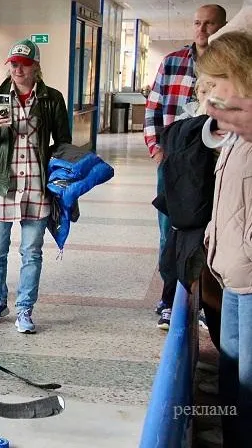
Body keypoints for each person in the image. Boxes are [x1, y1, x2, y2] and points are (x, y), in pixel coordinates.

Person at [0, 39, 70, 334]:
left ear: (35, 67)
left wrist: (60, 176)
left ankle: (25, 308)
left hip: (36, 184)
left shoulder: (51, 99)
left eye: (23, 64)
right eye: (13, 64)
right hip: (2, 182)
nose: (17, 69)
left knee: (31, 251)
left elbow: (64, 143)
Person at [143, 4, 226, 329]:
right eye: (197, 23)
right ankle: (169, 299)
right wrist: (158, 151)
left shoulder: (229, 67)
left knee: (210, 236)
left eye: (209, 24)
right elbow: (153, 109)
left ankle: (206, 300)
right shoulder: (173, 62)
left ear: (222, 27)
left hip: (214, 166)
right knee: (170, 235)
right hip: (175, 167)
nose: (202, 29)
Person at [198, 31, 252, 447]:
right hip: (232, 276)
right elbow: (206, 135)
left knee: (248, 388)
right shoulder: (237, 134)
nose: (210, 94)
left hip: (250, 280)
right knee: (231, 376)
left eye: (216, 82)